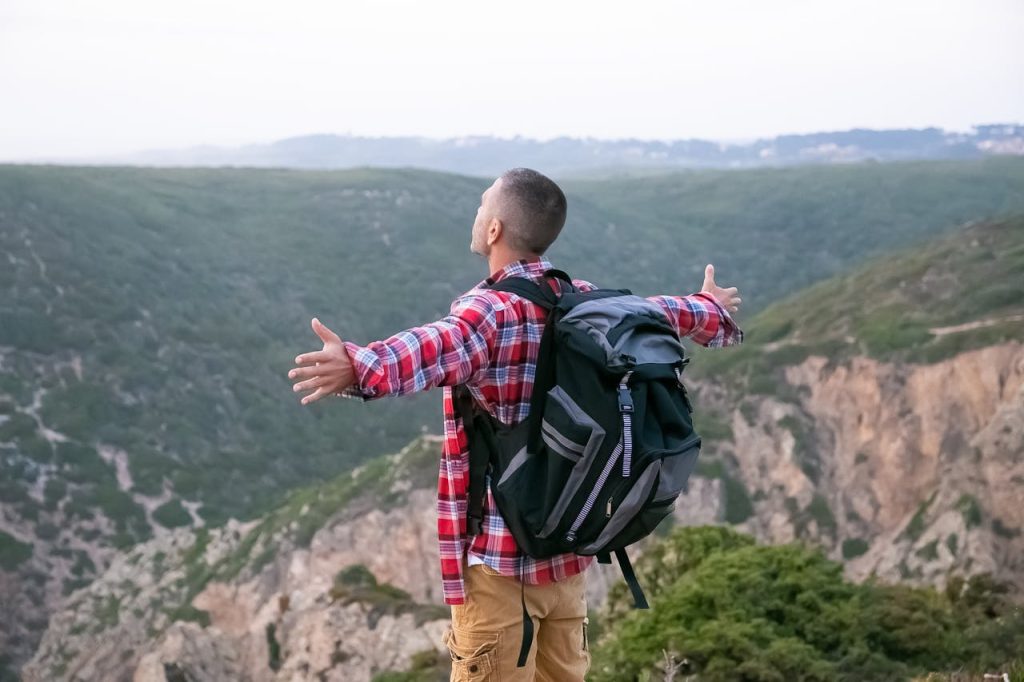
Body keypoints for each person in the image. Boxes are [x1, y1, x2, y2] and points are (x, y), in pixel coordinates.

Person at [287, 168, 743, 681]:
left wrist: (359, 365)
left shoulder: (489, 311)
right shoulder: (584, 300)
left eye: (483, 205)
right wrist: (710, 311)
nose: (477, 213)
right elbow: (658, 312)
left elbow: (434, 347)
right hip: (568, 556)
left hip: (501, 566)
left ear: (496, 229)